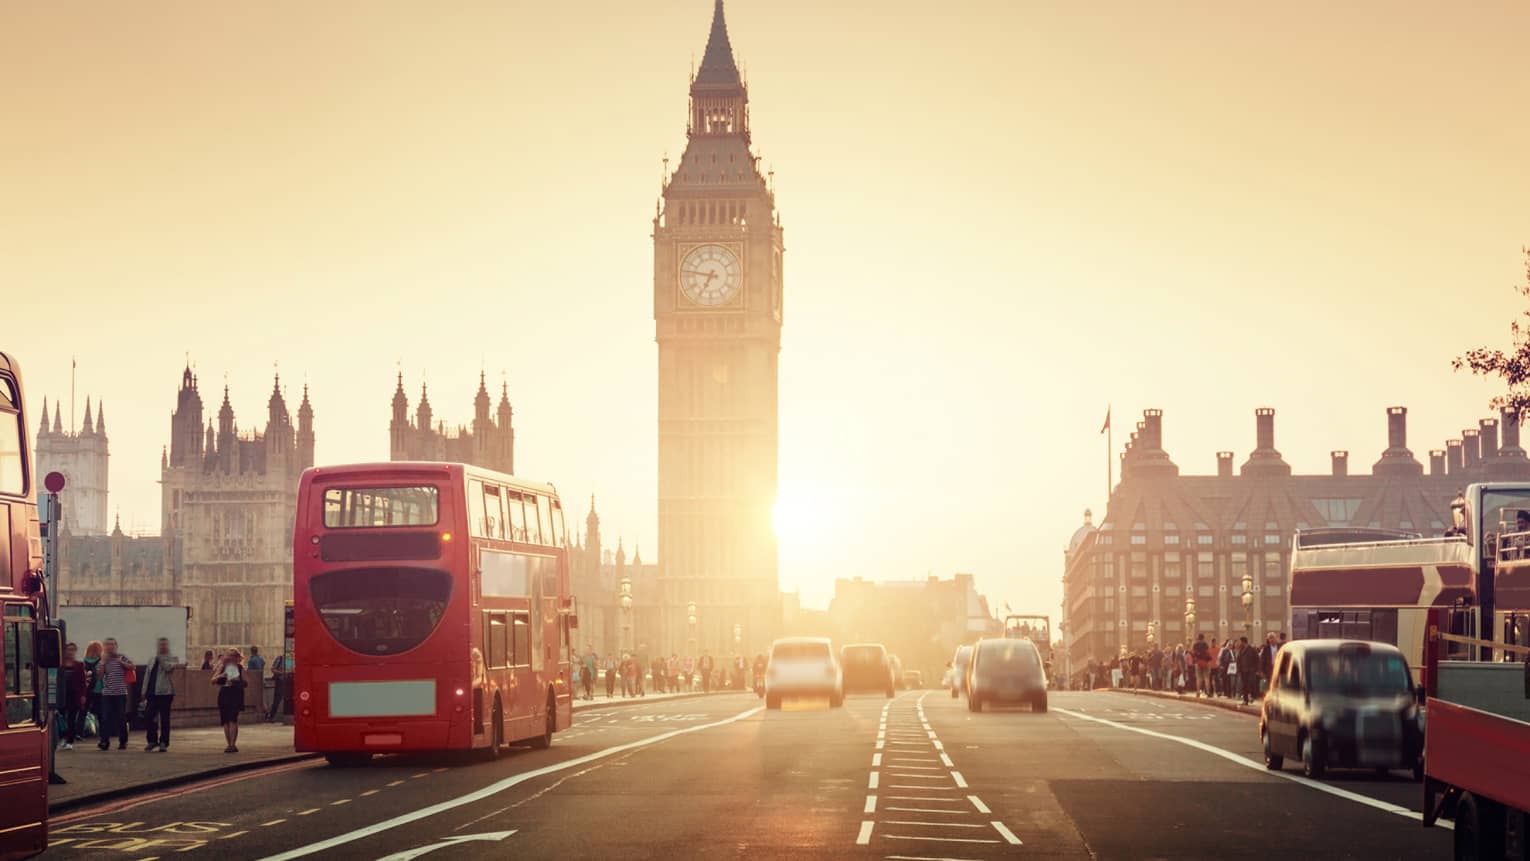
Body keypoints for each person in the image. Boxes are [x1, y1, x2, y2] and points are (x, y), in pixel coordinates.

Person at [95, 638, 134, 751]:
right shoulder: (102, 659)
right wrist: (103, 662)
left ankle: (123, 741)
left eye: (112, 644)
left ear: (116, 646)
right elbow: (99, 676)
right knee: (105, 718)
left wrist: (121, 662)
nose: (110, 647)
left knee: (121, 718)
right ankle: (104, 741)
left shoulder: (122, 656)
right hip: (107, 693)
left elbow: (132, 666)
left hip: (120, 692)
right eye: (107, 645)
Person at [141, 637, 179, 751]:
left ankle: (164, 742)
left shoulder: (172, 658)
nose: (162, 647)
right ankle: (152, 740)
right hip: (152, 692)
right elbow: (147, 675)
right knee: (148, 716)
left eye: (164, 645)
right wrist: (143, 691)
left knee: (164, 718)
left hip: (165, 692)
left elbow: (168, 668)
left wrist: (161, 658)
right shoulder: (152, 659)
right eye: (160, 645)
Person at [213, 648, 247, 753]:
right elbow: (213, 680)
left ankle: (233, 744)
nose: (231, 658)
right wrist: (221, 676)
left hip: (235, 694)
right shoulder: (222, 667)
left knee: (233, 719)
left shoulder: (240, 668)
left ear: (237, 658)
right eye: (229, 656)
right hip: (224, 694)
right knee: (225, 721)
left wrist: (236, 681)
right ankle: (228, 744)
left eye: (234, 656)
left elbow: (245, 683)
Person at [57, 643, 87, 750]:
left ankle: (70, 740)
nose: (70, 652)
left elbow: (83, 681)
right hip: (62, 694)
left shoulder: (79, 665)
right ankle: (62, 738)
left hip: (74, 695)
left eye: (72, 650)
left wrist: (83, 695)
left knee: (71, 718)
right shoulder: (60, 664)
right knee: (60, 717)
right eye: (68, 650)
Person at [1236, 636, 1260, 705]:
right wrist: (1239, 669)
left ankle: (1252, 697)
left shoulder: (1252, 649)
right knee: (1244, 686)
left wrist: (1256, 669)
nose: (1239, 643)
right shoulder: (1241, 649)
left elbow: (1257, 659)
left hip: (1250, 670)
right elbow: (1238, 660)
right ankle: (1245, 700)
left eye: (1240, 642)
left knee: (1251, 684)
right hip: (1243, 671)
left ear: (1243, 642)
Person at [266, 654, 288, 721]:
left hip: (288, 681)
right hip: (280, 681)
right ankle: (271, 717)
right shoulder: (280, 658)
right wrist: (281, 673)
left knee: (288, 699)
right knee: (277, 700)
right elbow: (273, 669)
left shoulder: (289, 659)